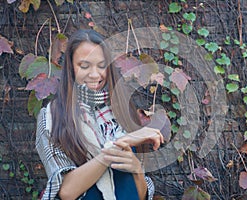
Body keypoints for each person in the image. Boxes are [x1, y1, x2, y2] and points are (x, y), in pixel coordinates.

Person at [35, 29, 164, 200]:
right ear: (71, 68)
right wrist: (117, 146)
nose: (95, 74)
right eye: (84, 66)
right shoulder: (53, 117)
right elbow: (67, 192)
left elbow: (139, 195)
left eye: (101, 65)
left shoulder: (122, 110)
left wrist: (137, 170)